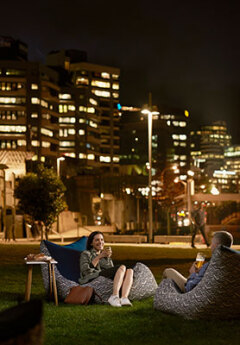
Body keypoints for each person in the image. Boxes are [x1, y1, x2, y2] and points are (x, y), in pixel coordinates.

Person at [162, 231, 233, 293]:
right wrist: (200, 271)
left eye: (212, 243)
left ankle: (164, 297)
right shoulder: (231, 263)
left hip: (194, 294)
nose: (211, 246)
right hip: (220, 297)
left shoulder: (212, 265)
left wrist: (193, 273)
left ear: (217, 245)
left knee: (168, 271)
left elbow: (190, 288)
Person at [79, 231, 134, 307]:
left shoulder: (104, 255)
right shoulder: (86, 253)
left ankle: (124, 298)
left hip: (103, 274)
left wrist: (107, 258)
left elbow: (112, 271)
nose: (100, 242)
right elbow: (85, 271)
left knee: (130, 271)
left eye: (102, 240)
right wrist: (99, 257)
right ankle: (114, 296)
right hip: (92, 276)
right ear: (91, 243)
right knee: (122, 267)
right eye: (97, 240)